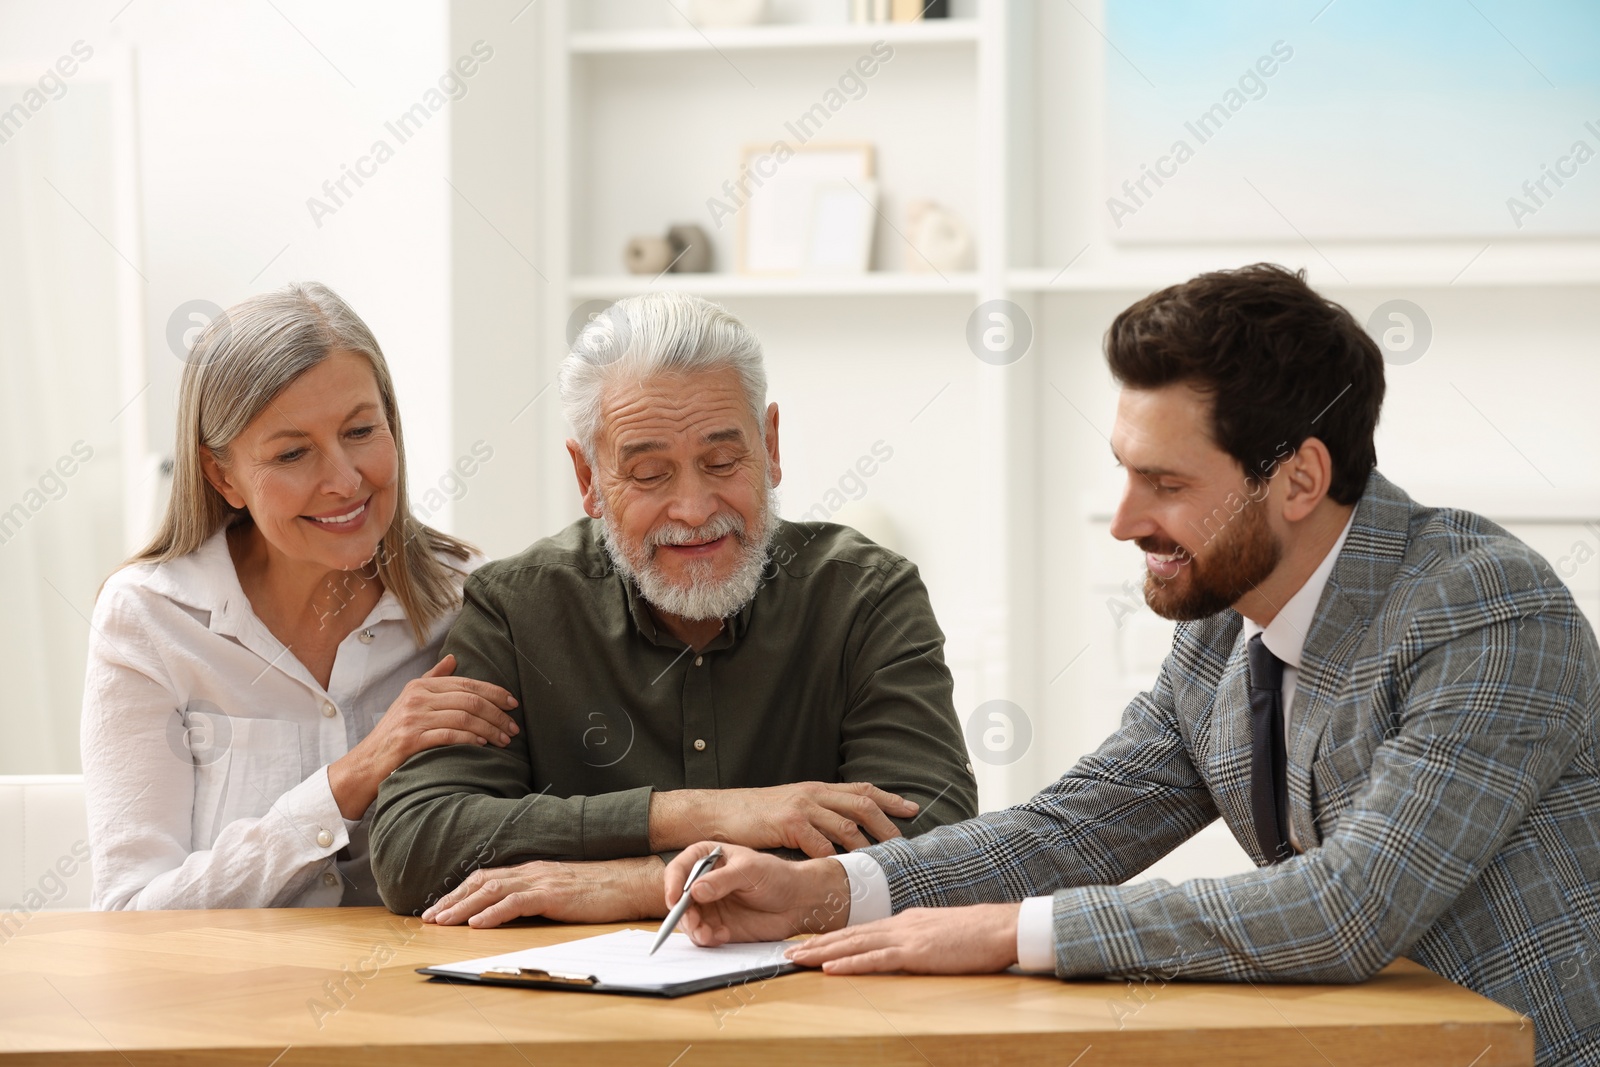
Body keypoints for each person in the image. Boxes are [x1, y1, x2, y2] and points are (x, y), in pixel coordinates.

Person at [664, 264, 1600, 1067]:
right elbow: (1073, 829)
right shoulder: (1224, 628)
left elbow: (1349, 905)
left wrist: (1013, 934)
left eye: (1168, 484)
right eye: (1125, 470)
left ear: (1301, 480)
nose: (1123, 520)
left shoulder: (1487, 610)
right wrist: (820, 892)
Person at [369, 291, 977, 926]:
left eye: (721, 461)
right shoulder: (517, 609)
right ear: (588, 479)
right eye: (650, 474)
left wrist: (640, 881)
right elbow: (416, 847)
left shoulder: (865, 596)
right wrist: (701, 814)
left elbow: (938, 840)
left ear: (769, 446)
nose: (693, 509)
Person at [82, 283, 519, 910]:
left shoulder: (470, 600)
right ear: (222, 474)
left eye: (361, 430)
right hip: (224, 1004)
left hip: (415, 997)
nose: (344, 480)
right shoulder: (150, 617)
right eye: (292, 453)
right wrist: (347, 782)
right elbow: (129, 913)